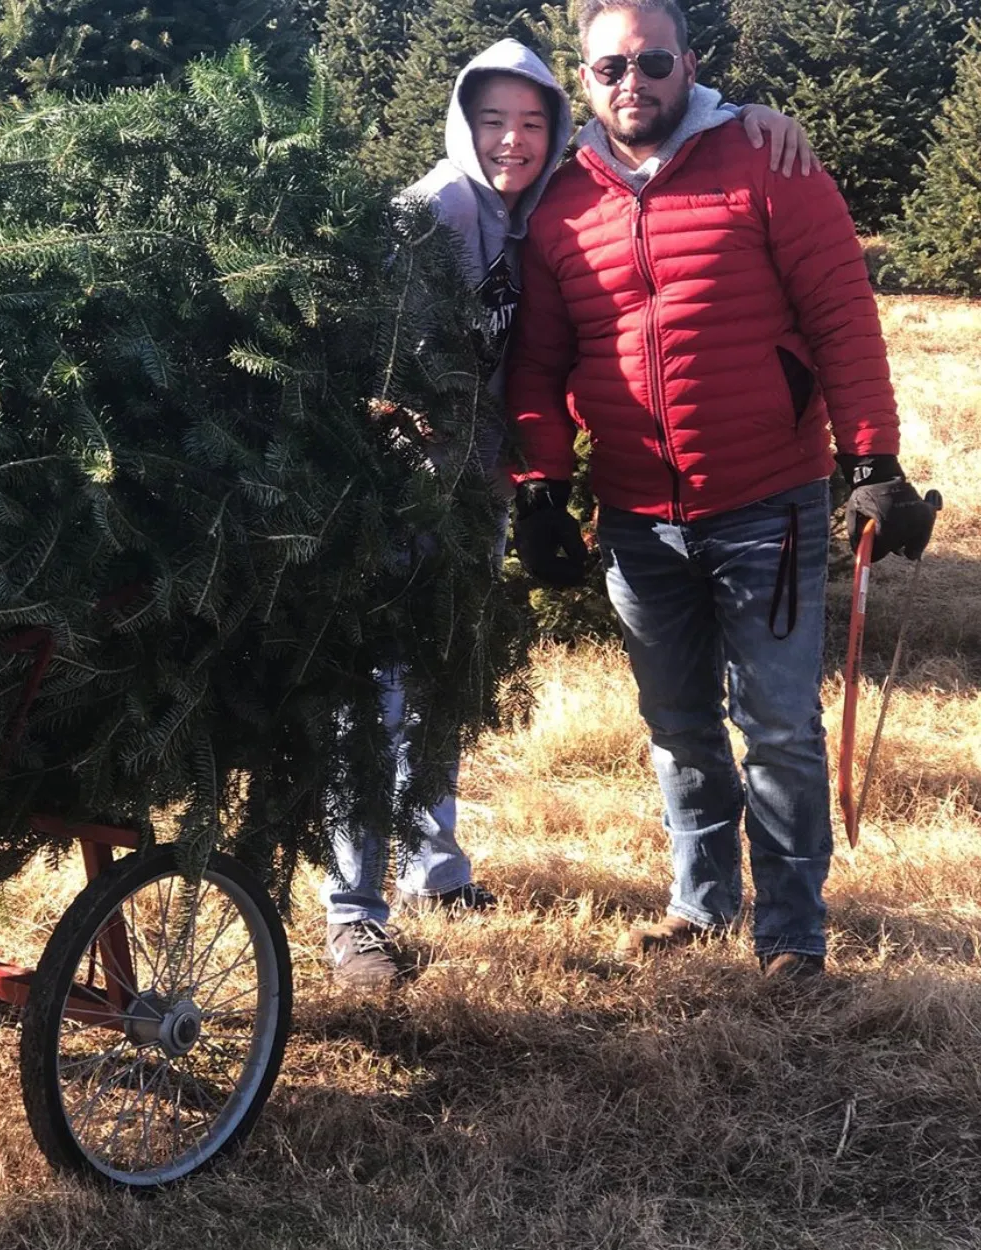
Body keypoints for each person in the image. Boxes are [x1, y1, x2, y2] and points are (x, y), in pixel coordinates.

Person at [323, 35, 820, 988]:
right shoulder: (430, 214)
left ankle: (437, 872)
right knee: (371, 696)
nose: (510, 142)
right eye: (490, 122)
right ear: (462, 124)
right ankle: (353, 913)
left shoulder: (539, 215)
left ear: (558, 129)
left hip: (481, 494)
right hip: (396, 498)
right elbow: (372, 370)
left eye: (530, 123)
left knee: (443, 684)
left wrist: (754, 115)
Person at [506, 0, 937, 980]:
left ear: (688, 63)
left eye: (652, 61)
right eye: (610, 66)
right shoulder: (562, 203)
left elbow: (842, 314)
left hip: (766, 499)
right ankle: (701, 904)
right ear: (585, 80)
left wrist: (871, 460)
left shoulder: (767, 159)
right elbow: (536, 364)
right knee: (679, 724)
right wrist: (540, 487)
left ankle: (792, 932)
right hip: (635, 517)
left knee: (779, 725)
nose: (633, 82)